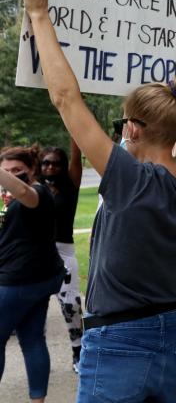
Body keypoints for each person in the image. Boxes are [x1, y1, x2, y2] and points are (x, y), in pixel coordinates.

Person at [22, 0, 176, 403]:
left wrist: (39, 13)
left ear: (131, 128)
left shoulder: (130, 181)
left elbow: (65, 98)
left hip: (119, 342)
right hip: (174, 336)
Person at [0, 148, 65, 403]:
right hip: (37, 278)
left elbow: (25, 193)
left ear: (33, 170)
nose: (12, 177)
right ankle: (38, 400)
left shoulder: (37, 193)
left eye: (17, 171)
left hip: (19, 280)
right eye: (6, 172)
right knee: (32, 339)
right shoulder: (12, 198)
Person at [39, 141, 84, 372]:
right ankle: (38, 357)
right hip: (37, 253)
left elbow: (76, 155)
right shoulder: (34, 188)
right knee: (36, 307)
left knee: (71, 306)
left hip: (64, 252)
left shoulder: (71, 185)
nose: (50, 167)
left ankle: (79, 352)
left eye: (56, 164)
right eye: (46, 163)